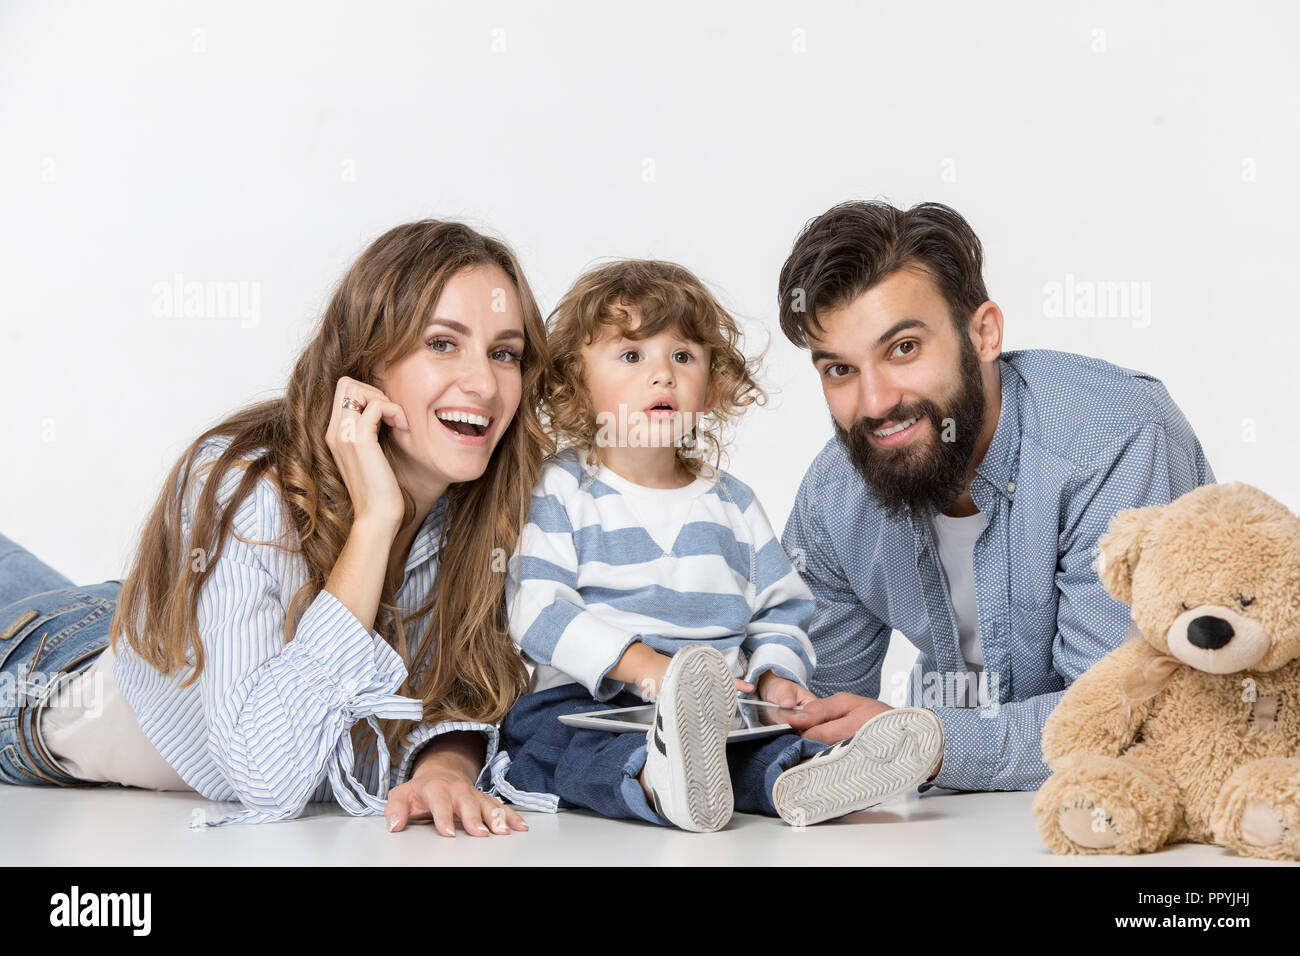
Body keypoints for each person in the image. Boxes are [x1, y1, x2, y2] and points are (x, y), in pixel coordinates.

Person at [0, 219, 553, 836]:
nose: (482, 382)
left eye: (504, 353)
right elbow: (270, 778)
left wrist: (445, 768)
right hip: (50, 678)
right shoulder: (245, 490)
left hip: (148, 619)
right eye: (443, 343)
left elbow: (466, 695)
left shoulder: (488, 513)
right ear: (368, 366)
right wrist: (375, 521)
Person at [774, 200, 1215, 792]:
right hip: (956, 827)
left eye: (903, 348)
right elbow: (820, 717)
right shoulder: (835, 495)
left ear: (983, 333)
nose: (875, 403)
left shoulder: (1113, 435)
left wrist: (924, 744)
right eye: (839, 370)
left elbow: (1120, 718)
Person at [491, 259, 945, 831]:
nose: (663, 376)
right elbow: (538, 609)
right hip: (591, 704)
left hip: (716, 715)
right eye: (632, 357)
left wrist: (778, 679)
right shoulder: (562, 487)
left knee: (754, 748)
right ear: (576, 388)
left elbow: (781, 611)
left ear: (710, 389)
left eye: (683, 357)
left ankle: (809, 778)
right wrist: (649, 669)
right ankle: (655, 780)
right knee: (558, 747)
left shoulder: (732, 503)